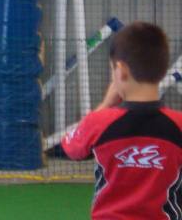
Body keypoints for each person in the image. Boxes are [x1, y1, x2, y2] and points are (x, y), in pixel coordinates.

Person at [61, 21, 182, 219]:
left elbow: (70, 147)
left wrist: (105, 104)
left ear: (120, 70)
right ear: (162, 70)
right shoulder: (178, 125)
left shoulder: (99, 122)